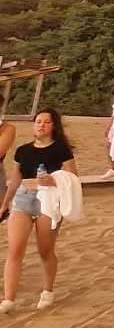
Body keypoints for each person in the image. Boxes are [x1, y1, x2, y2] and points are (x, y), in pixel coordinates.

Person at [3, 109, 75, 312]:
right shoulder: (23, 150)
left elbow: (72, 176)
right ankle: (8, 298)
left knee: (45, 249)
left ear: (54, 126)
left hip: (49, 199)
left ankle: (47, 290)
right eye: (38, 121)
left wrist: (53, 180)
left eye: (46, 122)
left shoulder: (60, 149)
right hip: (24, 198)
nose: (41, 125)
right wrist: (5, 202)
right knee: (15, 248)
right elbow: (15, 178)